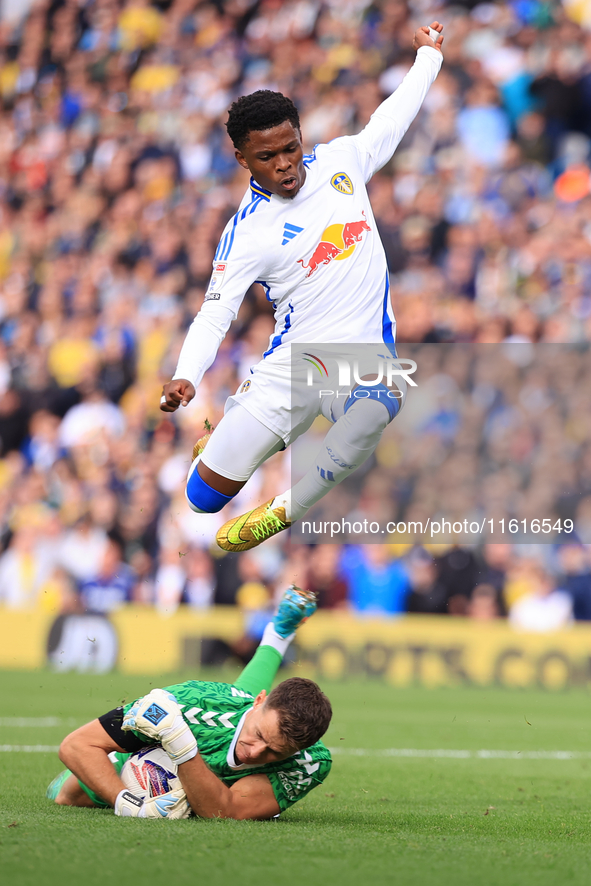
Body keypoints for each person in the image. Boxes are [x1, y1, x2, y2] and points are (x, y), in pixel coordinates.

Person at [160, 23, 445, 552]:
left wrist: (428, 58)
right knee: (203, 498)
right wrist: (186, 375)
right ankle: (217, 441)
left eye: (290, 147)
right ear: (243, 159)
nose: (285, 162)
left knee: (378, 405)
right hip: (292, 365)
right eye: (267, 157)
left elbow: (391, 119)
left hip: (359, 356)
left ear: (299, 135)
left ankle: (286, 508)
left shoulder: (341, 164)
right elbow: (214, 314)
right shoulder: (247, 232)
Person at [46, 585, 332, 820]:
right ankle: (279, 634)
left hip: (224, 721)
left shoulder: (309, 761)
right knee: (66, 794)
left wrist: (179, 742)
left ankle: (279, 633)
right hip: (159, 745)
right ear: (259, 701)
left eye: (274, 752)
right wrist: (125, 802)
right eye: (258, 736)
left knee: (237, 714)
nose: (256, 753)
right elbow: (75, 746)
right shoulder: (189, 703)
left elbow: (224, 812)